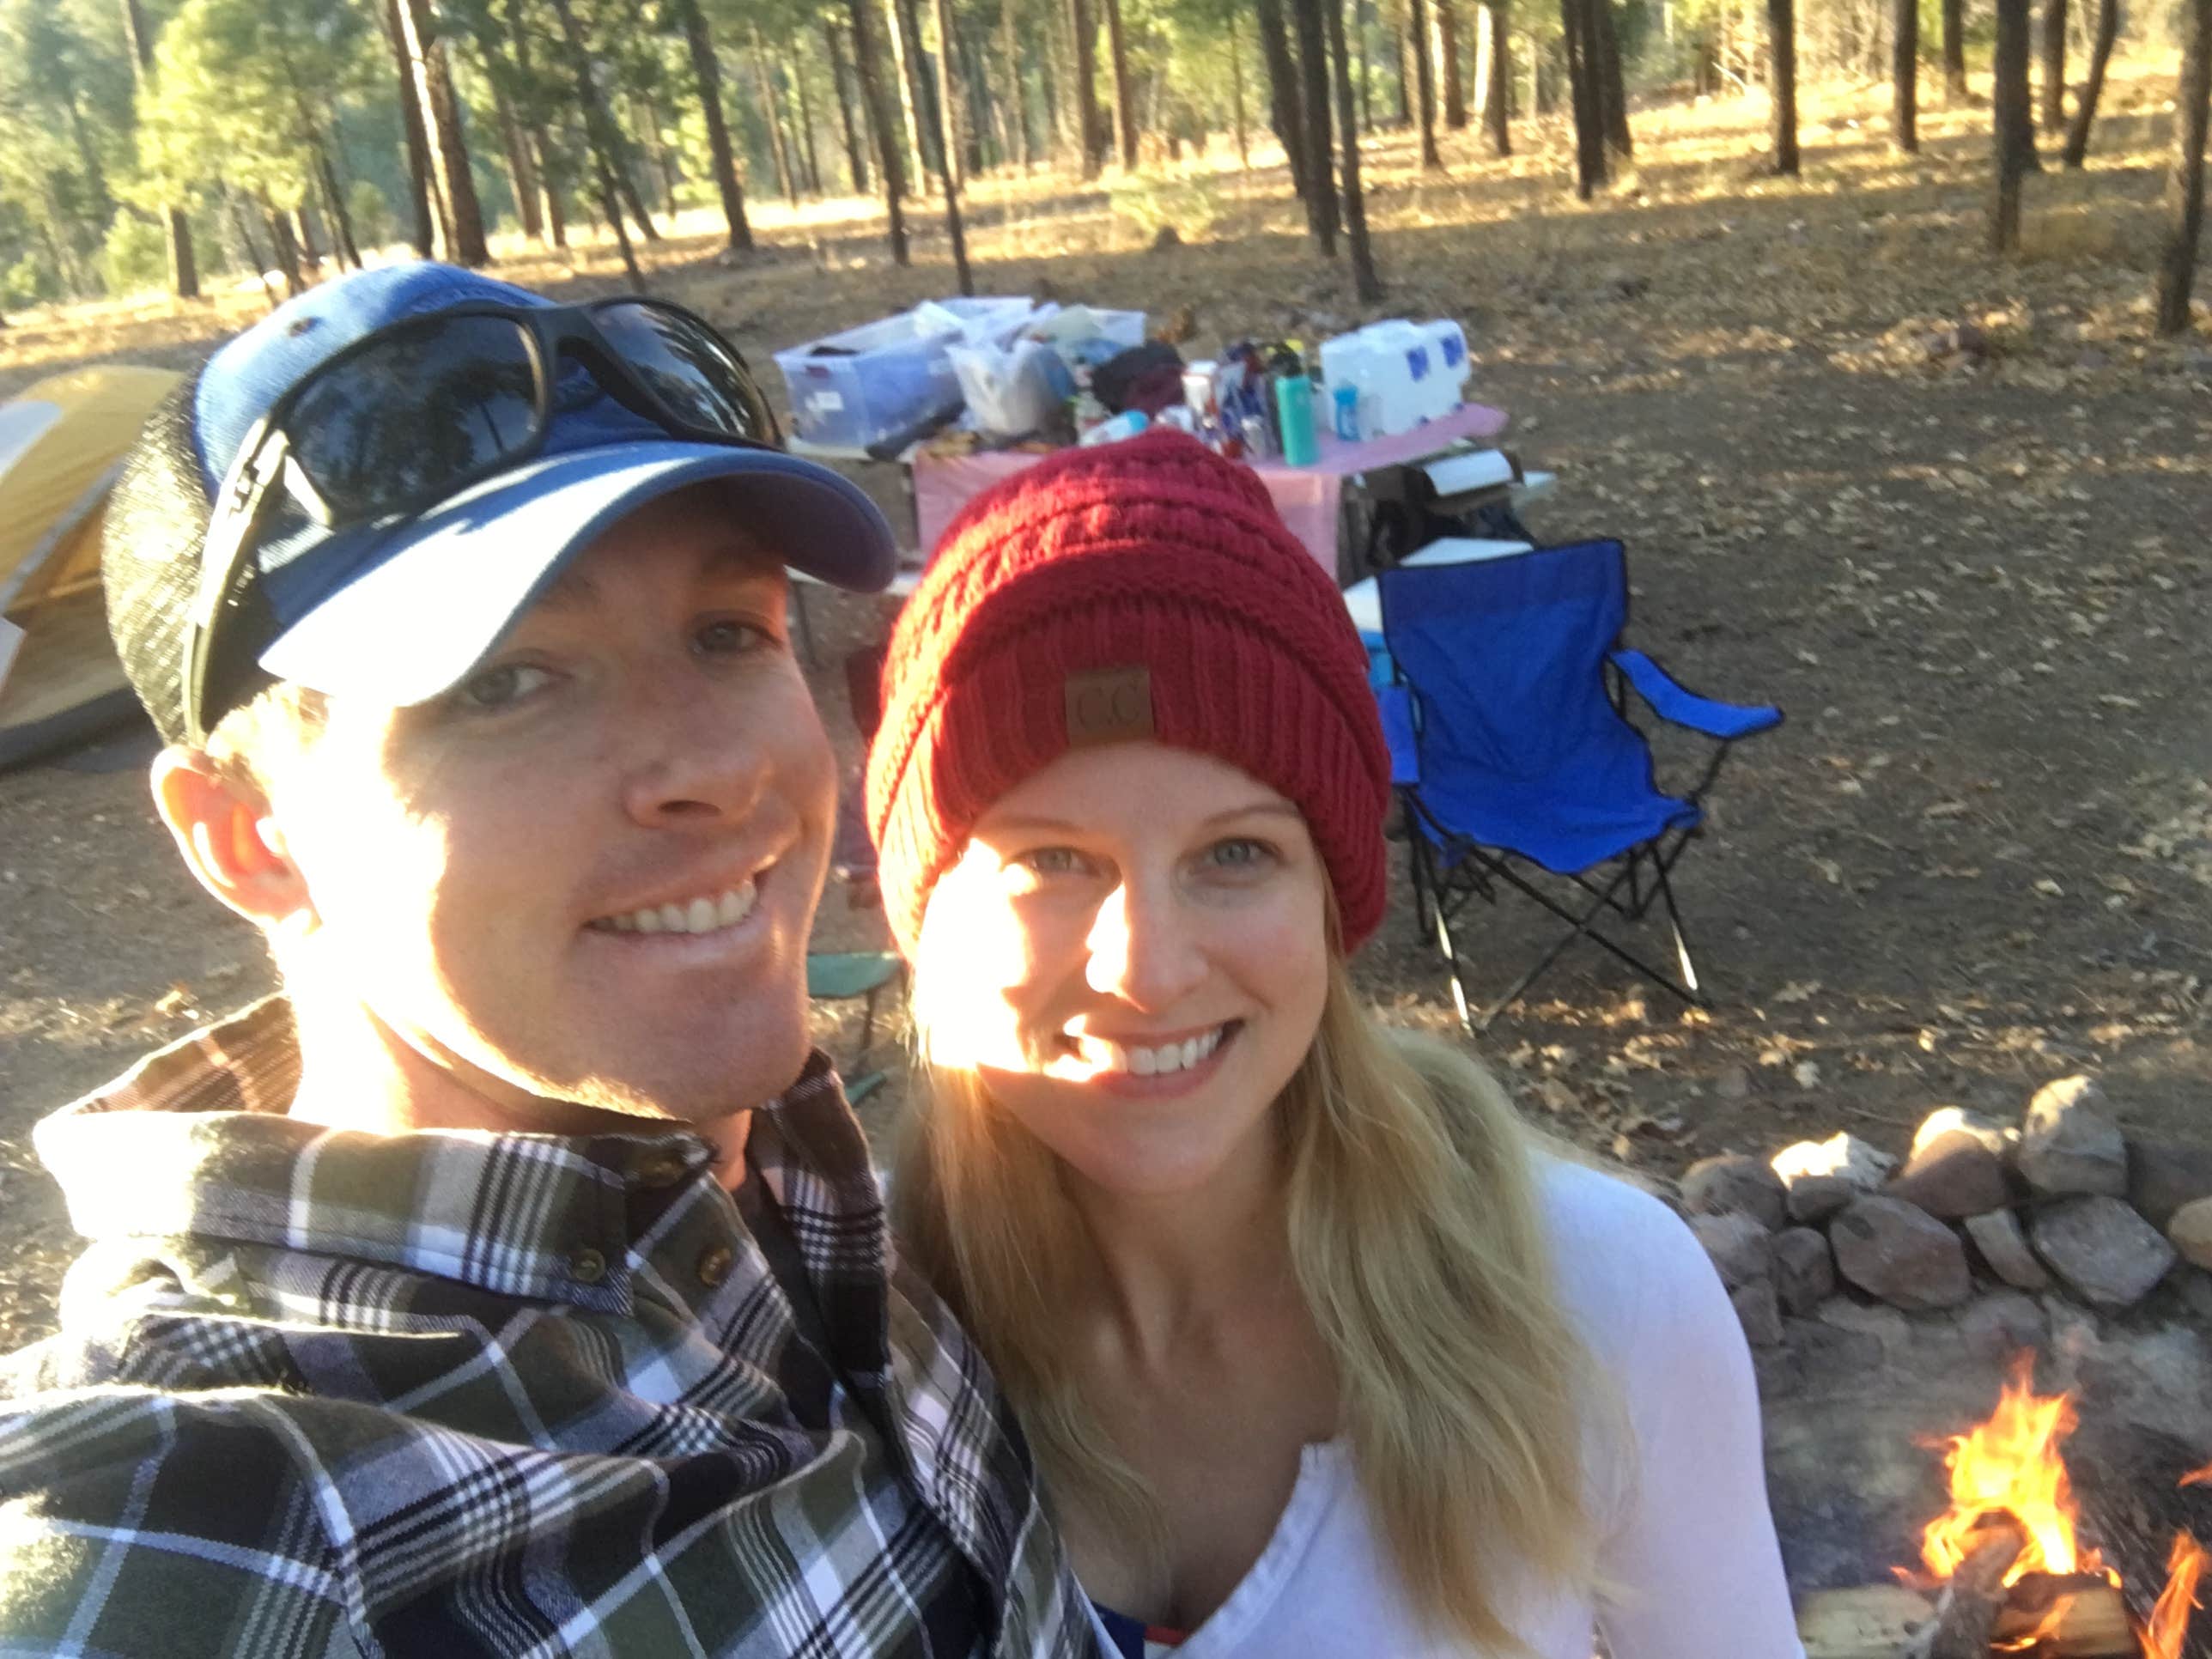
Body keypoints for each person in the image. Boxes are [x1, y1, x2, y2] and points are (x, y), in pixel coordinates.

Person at [0, 263, 1093, 1657]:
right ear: (251, 835)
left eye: (728, 633)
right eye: (507, 681)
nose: (711, 765)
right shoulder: (223, 1513)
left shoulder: (806, 1194)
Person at [863, 429, 1805, 1658]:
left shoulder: (1592, 1298)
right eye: (1051, 861)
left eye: (1236, 853)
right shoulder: (839, 1337)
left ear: (1332, 898)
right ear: (925, 919)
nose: (1147, 969)